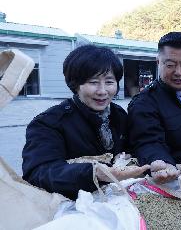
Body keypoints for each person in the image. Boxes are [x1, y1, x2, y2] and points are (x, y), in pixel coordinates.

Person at [22, 45, 150, 200]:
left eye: (109, 82)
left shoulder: (119, 115)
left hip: (117, 199)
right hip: (71, 206)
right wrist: (94, 173)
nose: (102, 91)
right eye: (93, 82)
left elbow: (132, 148)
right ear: (75, 84)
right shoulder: (49, 122)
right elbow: (38, 173)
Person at [127, 32, 181, 183]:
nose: (178, 72)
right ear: (158, 62)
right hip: (174, 179)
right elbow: (148, 141)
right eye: (170, 65)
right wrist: (161, 163)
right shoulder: (144, 102)